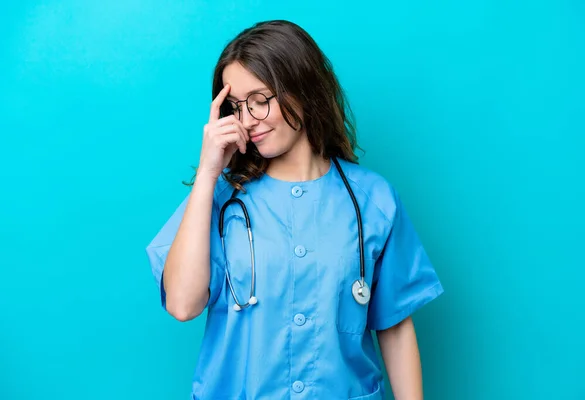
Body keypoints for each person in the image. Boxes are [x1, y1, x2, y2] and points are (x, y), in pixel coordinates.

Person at [146, 19, 443, 400]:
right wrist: (208, 173)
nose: (247, 120)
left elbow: (395, 325)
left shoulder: (373, 199)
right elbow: (183, 305)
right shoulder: (220, 198)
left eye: (259, 100)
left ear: (302, 89)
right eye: (236, 107)